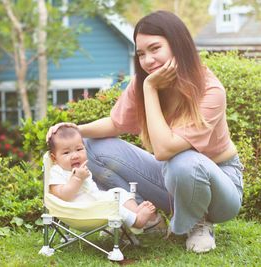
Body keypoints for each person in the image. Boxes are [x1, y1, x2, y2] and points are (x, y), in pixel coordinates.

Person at [47, 10, 243, 253]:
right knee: (90, 147)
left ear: (177, 45)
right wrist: (75, 131)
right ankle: (147, 219)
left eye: (155, 48)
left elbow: (164, 150)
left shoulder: (210, 90)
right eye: (141, 54)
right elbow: (116, 123)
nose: (148, 60)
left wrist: (150, 88)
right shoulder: (142, 83)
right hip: (173, 177)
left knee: (185, 160)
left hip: (220, 189)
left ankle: (195, 223)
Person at [47, 125, 160, 230]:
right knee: (112, 206)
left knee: (119, 192)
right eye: (66, 153)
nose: (75, 155)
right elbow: (63, 195)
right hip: (79, 209)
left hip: (96, 200)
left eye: (79, 149)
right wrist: (77, 179)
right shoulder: (57, 172)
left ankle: (134, 212)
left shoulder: (82, 167)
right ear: (54, 158)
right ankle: (137, 222)